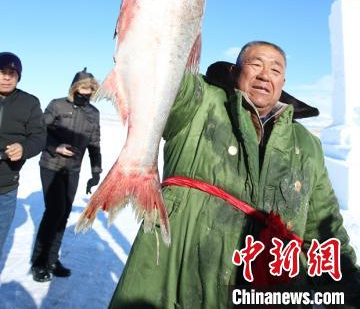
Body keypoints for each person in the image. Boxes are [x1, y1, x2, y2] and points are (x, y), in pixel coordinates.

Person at [109, 41, 360, 308]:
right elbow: (158, 67)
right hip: (182, 282)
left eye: (275, 70)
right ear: (235, 71)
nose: (265, 74)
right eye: (255, 64)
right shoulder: (199, 104)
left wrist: (352, 291)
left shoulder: (307, 144)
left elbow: (324, 228)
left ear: (283, 81)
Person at [31, 68, 102, 282]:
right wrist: (56, 146)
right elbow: (38, 132)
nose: (86, 91)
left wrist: (96, 171)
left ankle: (53, 259)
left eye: (90, 88)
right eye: (82, 87)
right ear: (74, 88)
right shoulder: (57, 105)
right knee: (54, 210)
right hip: (51, 165)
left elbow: (94, 144)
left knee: (63, 213)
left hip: (73, 169)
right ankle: (39, 261)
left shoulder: (93, 113)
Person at [0, 52, 46, 263]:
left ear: (18, 77)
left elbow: (38, 138)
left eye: (12, 73)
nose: (6, 77)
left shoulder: (29, 103)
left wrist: (23, 148)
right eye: (2, 72)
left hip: (6, 188)